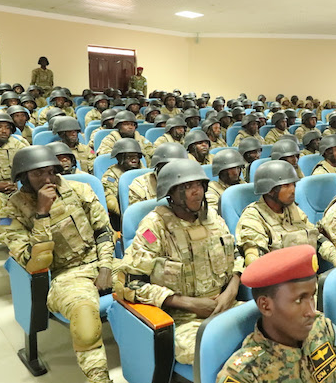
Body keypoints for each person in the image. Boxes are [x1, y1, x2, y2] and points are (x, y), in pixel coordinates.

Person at [0, 146, 116, 383]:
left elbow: (104, 231)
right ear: (23, 177)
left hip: (102, 262)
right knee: (85, 320)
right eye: (38, 174)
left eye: (51, 172)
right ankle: (99, 380)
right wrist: (42, 213)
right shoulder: (9, 214)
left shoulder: (79, 189)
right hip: (65, 276)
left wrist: (105, 268)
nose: (47, 179)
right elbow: (33, 261)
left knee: (156, 280)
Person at [116, 159, 242, 366]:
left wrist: (231, 291)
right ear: (170, 193)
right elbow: (130, 284)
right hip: (184, 320)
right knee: (219, 353)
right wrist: (188, 303)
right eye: (187, 186)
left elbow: (236, 256)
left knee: (272, 330)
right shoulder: (154, 227)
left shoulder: (212, 217)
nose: (197, 191)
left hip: (226, 305)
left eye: (199, 184)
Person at [217, 245, 336, 383]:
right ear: (265, 306)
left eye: (312, 296)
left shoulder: (321, 327)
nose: (311, 311)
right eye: (299, 300)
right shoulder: (244, 375)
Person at [236, 160, 336, 267]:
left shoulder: (292, 209)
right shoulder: (253, 217)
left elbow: (316, 237)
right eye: (286, 185)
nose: (293, 190)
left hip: (305, 272)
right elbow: (256, 264)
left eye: (293, 184)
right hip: (278, 276)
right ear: (269, 190)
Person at [102, 139, 144, 229]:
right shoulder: (112, 175)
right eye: (129, 157)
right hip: (124, 217)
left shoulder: (145, 172)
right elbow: (109, 197)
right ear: (120, 158)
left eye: (136, 157)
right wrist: (125, 215)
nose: (134, 160)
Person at [207, 149, 246, 213]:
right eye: (231, 169)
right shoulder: (213, 189)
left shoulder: (243, 185)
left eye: (238, 168)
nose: (236, 173)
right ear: (221, 171)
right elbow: (212, 211)